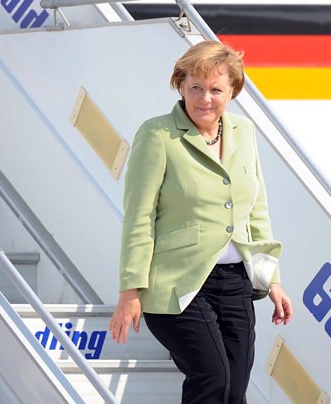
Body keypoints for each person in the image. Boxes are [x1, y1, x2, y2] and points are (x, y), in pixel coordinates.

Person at [109, 40, 292, 404]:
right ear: (181, 86)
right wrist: (130, 291)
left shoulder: (244, 132)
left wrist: (272, 278)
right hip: (178, 284)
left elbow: (256, 211)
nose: (205, 99)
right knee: (213, 379)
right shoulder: (157, 134)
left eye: (216, 90)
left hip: (236, 283)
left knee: (234, 391)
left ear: (233, 91)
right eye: (195, 87)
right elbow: (139, 217)